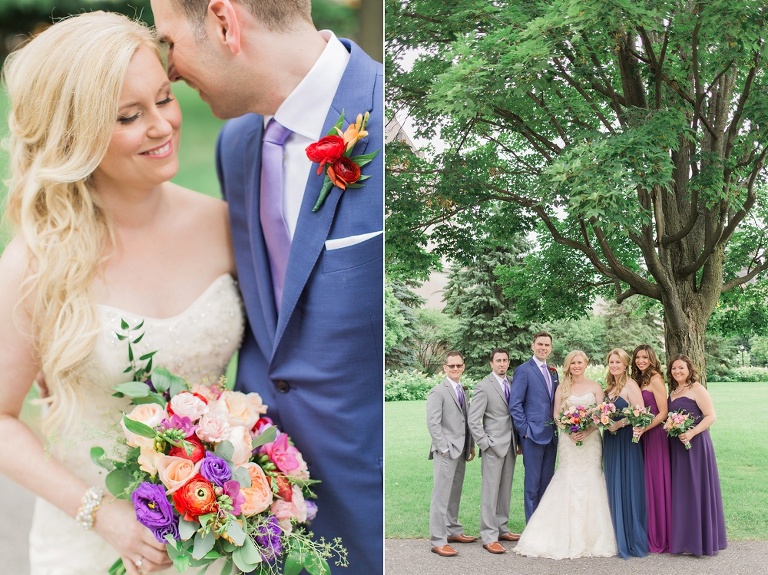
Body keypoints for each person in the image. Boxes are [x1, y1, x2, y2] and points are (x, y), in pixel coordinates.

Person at [0, 12, 242, 575]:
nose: (162, 126)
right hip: (90, 545)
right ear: (74, 134)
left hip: (213, 543)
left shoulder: (226, 228)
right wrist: (104, 515)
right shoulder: (36, 262)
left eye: (164, 98)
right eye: (130, 116)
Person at [148, 2, 383, 571]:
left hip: (372, 516)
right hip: (261, 526)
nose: (169, 70)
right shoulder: (237, 144)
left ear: (225, 23)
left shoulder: (388, 118)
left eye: (170, 42)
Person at [514, 350, 617, 559]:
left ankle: (594, 537)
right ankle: (557, 534)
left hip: (591, 442)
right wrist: (569, 432)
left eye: (579, 362)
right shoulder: (562, 387)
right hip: (569, 442)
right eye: (572, 363)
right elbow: (556, 415)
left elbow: (603, 413)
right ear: (568, 366)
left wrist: (587, 430)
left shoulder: (596, 387)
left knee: (591, 481)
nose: (576, 366)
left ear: (586, 363)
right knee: (568, 480)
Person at [667, 354, 727, 556]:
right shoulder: (673, 391)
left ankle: (702, 541)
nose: (677, 371)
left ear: (689, 369)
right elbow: (671, 417)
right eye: (674, 368)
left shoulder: (697, 388)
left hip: (697, 445)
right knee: (683, 491)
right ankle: (685, 539)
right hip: (678, 447)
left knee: (697, 488)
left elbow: (711, 416)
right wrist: (670, 426)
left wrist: (691, 432)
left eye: (681, 368)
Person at [467, 348, 520, 554]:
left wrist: (518, 441)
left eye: (505, 360)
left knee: (505, 488)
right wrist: (484, 443)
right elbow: (474, 419)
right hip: (492, 445)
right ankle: (489, 535)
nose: (502, 364)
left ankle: (502, 527)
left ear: (508, 363)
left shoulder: (512, 383)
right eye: (498, 360)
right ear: (491, 363)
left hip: (510, 443)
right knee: (490, 491)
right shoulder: (483, 386)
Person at [426, 351, 476, 557]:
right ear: (444, 368)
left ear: (463, 366)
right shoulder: (438, 391)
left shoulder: (462, 390)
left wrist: (470, 446)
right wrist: (444, 447)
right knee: (441, 495)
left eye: (459, 365)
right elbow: (433, 423)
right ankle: (438, 540)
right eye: (451, 366)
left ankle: (453, 530)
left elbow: (466, 420)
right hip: (446, 451)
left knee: (455, 492)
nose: (456, 369)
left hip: (462, 448)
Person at [603, 348, 649, 559]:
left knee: (628, 485)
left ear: (625, 365)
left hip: (626, 441)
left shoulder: (630, 385)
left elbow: (641, 413)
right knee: (614, 485)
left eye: (618, 362)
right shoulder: (610, 386)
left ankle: (631, 538)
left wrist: (620, 423)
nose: (614, 365)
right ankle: (616, 534)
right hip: (611, 443)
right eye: (611, 362)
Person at [509, 331, 559, 521]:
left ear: (551, 348)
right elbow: (515, 405)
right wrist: (525, 431)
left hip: (551, 436)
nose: (543, 348)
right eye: (540, 344)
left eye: (547, 345)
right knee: (532, 485)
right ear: (532, 345)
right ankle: (531, 528)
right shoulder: (524, 370)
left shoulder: (553, 372)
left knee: (547, 483)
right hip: (532, 436)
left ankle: (544, 526)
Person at [631, 344, 671, 553]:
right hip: (642, 435)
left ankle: (660, 534)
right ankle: (646, 530)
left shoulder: (655, 378)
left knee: (655, 482)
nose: (640, 361)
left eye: (644, 357)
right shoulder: (638, 379)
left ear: (652, 358)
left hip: (655, 435)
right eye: (638, 357)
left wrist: (645, 428)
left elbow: (663, 412)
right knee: (644, 483)